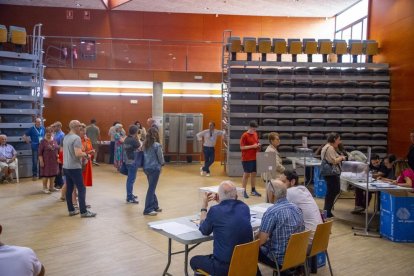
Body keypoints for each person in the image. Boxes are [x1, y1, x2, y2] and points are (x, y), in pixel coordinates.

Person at [190, 181, 253, 276]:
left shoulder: (215, 210)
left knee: (194, 260)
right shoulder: (244, 207)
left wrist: (204, 207)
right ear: (235, 194)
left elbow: (204, 230)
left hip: (225, 267)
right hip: (245, 262)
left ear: (219, 195)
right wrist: (221, 201)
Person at [257, 180, 304, 276]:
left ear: (272, 194)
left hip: (279, 259)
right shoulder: (296, 208)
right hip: (297, 255)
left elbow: (261, 241)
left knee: (250, 251)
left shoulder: (272, 212)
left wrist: (254, 237)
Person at [62, 120, 96, 218]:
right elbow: (78, 153)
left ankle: (71, 210)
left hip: (66, 166)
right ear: (76, 127)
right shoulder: (76, 138)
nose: (81, 128)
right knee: (81, 188)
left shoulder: (66, 137)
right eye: (79, 126)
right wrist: (87, 154)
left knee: (69, 188)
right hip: (74, 167)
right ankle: (84, 212)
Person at [279, 170, 322, 240]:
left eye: (283, 182)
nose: (280, 185)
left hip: (305, 242)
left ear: (292, 182)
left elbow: (274, 210)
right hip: (318, 240)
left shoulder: (289, 192)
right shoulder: (304, 189)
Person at [321, 132, 346, 218]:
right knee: (332, 192)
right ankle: (327, 211)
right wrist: (342, 158)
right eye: (339, 139)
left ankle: (327, 211)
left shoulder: (328, 147)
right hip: (331, 173)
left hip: (329, 173)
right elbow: (333, 161)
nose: (340, 142)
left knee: (332, 192)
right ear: (335, 139)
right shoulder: (330, 148)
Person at [142, 127, 164, 216]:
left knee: (152, 187)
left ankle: (155, 206)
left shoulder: (145, 144)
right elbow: (160, 158)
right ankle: (148, 209)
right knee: (151, 188)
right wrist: (162, 164)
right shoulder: (157, 145)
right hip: (155, 168)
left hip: (146, 168)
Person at [240, 120, 261, 198]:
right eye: (253, 129)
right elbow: (241, 147)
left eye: (255, 129)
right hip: (246, 158)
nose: (254, 131)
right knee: (246, 175)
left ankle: (253, 190)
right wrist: (253, 146)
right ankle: (243, 191)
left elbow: (256, 142)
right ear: (250, 127)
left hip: (254, 157)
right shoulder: (244, 135)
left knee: (254, 174)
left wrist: (258, 145)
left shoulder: (255, 134)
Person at [263, 132, 285, 202]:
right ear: (272, 141)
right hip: (272, 177)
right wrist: (284, 170)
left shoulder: (272, 149)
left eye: (279, 139)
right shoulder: (271, 151)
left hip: (272, 176)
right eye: (277, 139)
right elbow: (276, 165)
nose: (279, 141)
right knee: (272, 198)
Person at [38, 127, 59, 194]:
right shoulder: (42, 141)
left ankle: (51, 187)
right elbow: (40, 153)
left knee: (53, 174)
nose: (49, 134)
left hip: (54, 160)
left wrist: (58, 156)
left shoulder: (54, 140)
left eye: (50, 132)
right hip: (46, 161)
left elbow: (56, 149)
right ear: (45, 133)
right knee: (45, 175)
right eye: (47, 132)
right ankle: (44, 188)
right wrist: (41, 161)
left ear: (52, 133)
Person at [123, 125, 141, 204]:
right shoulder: (133, 140)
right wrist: (137, 137)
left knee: (130, 179)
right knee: (131, 180)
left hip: (128, 160)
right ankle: (129, 197)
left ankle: (130, 195)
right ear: (136, 132)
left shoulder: (127, 139)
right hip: (132, 161)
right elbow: (139, 145)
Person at [52, 121, 65, 189]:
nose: (54, 127)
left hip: (58, 153)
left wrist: (55, 146)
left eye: (55, 126)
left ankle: (60, 183)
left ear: (59, 127)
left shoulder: (62, 135)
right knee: (55, 169)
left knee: (59, 169)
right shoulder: (54, 134)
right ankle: (56, 182)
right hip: (54, 152)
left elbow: (61, 146)